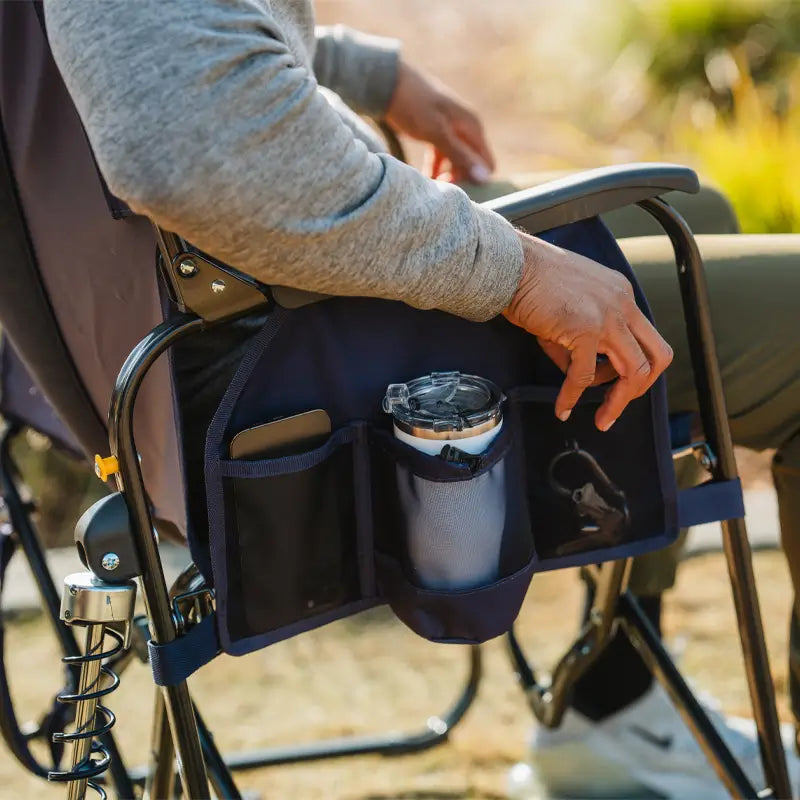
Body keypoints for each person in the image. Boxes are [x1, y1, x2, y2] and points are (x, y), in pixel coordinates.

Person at [43, 2, 799, 798]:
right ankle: (612, 703)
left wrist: (372, 72)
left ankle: (615, 699)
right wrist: (517, 274)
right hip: (287, 341)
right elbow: (187, 142)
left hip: (261, 294)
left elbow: (169, 49)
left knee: (702, 214)